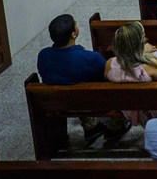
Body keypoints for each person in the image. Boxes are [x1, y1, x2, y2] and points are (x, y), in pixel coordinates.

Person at [38, 13, 131, 143]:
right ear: (73, 34)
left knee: (74, 86)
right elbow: (109, 78)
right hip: (93, 103)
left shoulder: (43, 56)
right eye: (76, 24)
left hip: (59, 104)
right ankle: (115, 126)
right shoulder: (91, 58)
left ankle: (91, 125)